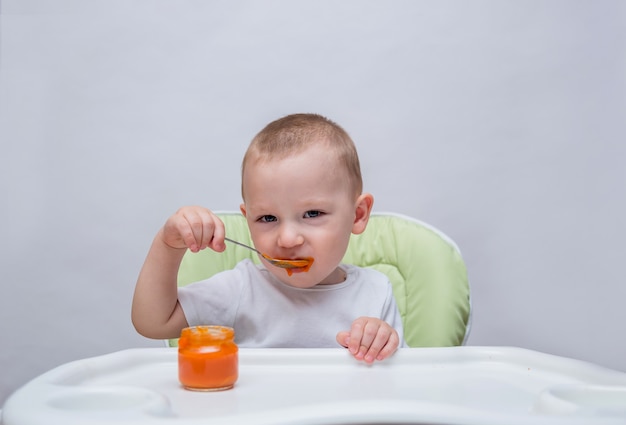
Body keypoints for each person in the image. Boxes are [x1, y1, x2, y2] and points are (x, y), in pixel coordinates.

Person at [132, 113, 406, 363]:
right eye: (268, 219)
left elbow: (404, 380)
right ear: (247, 218)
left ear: (357, 215)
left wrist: (382, 344)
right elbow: (153, 323)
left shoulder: (376, 292)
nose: (287, 239)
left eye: (312, 213)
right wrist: (167, 246)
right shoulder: (241, 290)